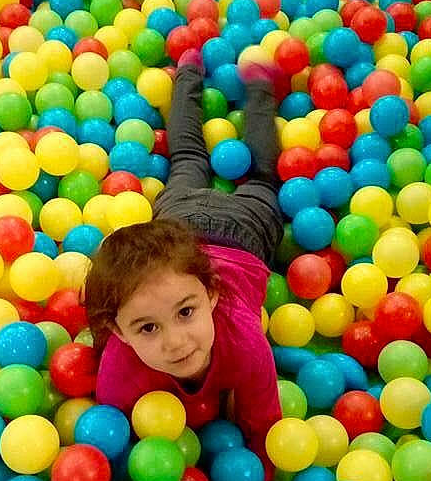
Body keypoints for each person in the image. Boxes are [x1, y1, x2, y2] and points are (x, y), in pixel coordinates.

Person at [85, 49, 285, 453]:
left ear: (212, 293)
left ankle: (214, 76)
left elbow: (266, 431)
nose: (176, 342)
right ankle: (205, 72)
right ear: (118, 332)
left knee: (258, 176)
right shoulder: (118, 372)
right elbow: (112, 445)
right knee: (201, 162)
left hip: (240, 230)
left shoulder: (244, 340)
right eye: (148, 327)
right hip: (177, 231)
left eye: (186, 311)